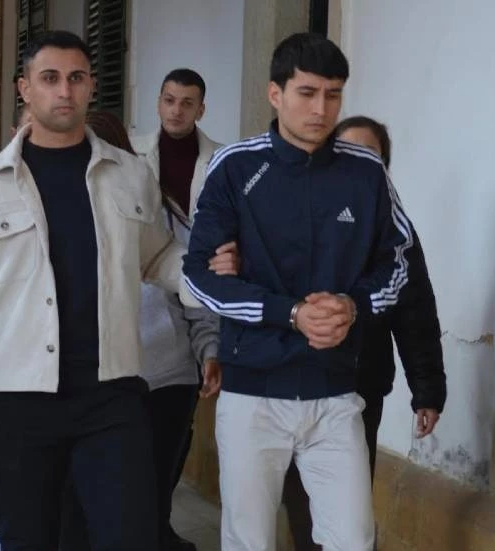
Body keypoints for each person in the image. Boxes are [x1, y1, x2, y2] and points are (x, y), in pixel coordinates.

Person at [0, 30, 202, 550]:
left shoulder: (129, 175)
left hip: (111, 394)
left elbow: (157, 257)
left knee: (131, 536)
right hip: (18, 400)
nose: (64, 90)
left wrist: (212, 278)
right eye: (50, 78)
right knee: (29, 539)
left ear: (91, 87)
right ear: (25, 88)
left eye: (76, 78)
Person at [183, 33, 415, 550]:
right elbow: (199, 274)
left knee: (353, 540)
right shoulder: (235, 166)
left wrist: (352, 306)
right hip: (252, 393)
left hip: (335, 391)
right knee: (249, 541)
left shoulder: (366, 171)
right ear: (275, 93)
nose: (321, 108)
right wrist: (290, 314)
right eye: (307, 93)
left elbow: (399, 262)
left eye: (333, 94)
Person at [56, 109, 224, 551]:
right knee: (80, 502)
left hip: (165, 376)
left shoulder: (158, 208)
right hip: (88, 378)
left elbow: (192, 285)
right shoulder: (54, 209)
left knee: (148, 498)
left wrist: (208, 349)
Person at [280, 116, 446, 550]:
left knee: (348, 509)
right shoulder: (295, 214)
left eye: (369, 155)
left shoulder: (395, 233)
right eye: (347, 152)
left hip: (359, 384)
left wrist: (427, 391)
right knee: (300, 505)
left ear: (383, 167)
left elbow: (415, 313)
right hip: (289, 382)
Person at [130, 69, 225, 551]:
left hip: (191, 300)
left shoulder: (222, 161)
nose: (176, 110)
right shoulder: (131, 156)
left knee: (171, 439)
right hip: (140, 310)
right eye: (169, 100)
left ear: (201, 109)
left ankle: (157, 526)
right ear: (158, 102)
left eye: (187, 102)